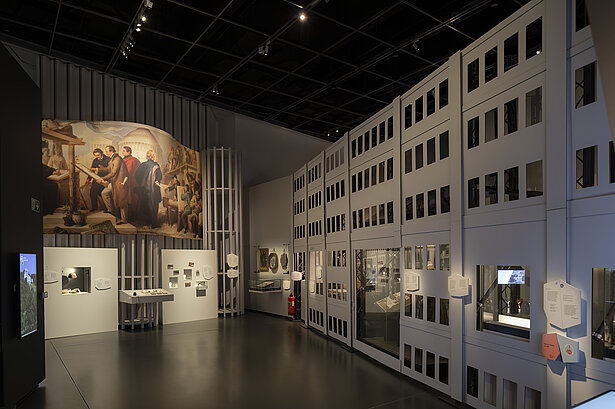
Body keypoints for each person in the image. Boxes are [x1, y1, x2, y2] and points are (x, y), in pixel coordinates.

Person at [99, 145, 130, 224]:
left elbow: (113, 172)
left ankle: (124, 220)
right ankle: (111, 210)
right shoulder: (112, 159)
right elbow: (107, 169)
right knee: (104, 193)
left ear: (111, 151)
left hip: (120, 183)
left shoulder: (117, 159)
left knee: (122, 201)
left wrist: (102, 178)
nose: (106, 153)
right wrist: (97, 169)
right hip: (114, 182)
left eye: (107, 151)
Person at [134, 150, 162, 228]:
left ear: (147, 157)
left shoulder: (142, 165)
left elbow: (136, 175)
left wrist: (141, 183)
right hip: (153, 189)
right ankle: (153, 223)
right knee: (154, 205)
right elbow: (159, 177)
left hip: (144, 189)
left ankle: (145, 223)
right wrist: (157, 181)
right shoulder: (156, 166)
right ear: (153, 157)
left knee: (144, 205)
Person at [121, 146, 141, 216]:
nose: (122, 152)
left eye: (124, 151)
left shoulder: (133, 160)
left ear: (128, 152)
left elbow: (128, 172)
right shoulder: (124, 159)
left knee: (132, 199)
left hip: (132, 182)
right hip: (128, 181)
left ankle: (132, 215)